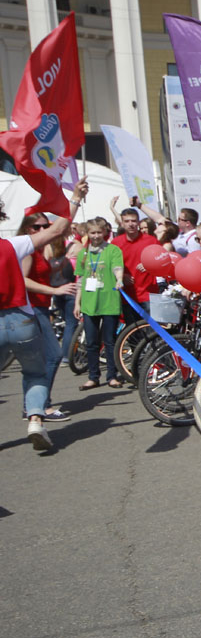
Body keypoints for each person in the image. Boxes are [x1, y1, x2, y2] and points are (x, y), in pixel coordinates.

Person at [1, 185, 86, 451]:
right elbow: (57, 230)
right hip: (22, 319)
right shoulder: (12, 245)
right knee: (35, 373)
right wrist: (75, 198)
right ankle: (36, 419)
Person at [18, 214, 76, 420]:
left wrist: (75, 202)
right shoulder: (27, 251)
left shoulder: (39, 249)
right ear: (26, 229)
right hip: (31, 309)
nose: (42, 230)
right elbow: (22, 280)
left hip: (39, 308)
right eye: (36, 226)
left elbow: (61, 229)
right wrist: (56, 291)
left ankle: (32, 406)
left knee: (38, 360)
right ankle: (41, 405)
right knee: (53, 355)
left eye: (45, 226)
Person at [75, 217, 125, 391]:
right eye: (92, 232)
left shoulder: (113, 250)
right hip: (89, 303)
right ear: (87, 233)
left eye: (98, 232)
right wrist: (77, 303)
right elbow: (80, 280)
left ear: (104, 232)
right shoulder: (83, 253)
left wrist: (119, 280)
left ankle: (112, 376)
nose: (96, 236)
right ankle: (93, 376)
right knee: (91, 342)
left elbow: (117, 267)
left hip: (109, 301)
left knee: (110, 341)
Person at [112, 204, 161, 328]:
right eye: (127, 221)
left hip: (148, 294)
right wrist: (122, 276)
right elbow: (110, 265)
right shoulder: (116, 243)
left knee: (152, 331)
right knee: (133, 332)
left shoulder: (151, 241)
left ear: (139, 222)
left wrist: (151, 265)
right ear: (122, 223)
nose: (131, 224)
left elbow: (163, 263)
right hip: (128, 296)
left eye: (134, 221)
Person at [45, 233, 77, 362]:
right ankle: (66, 354)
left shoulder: (48, 248)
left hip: (56, 290)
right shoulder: (73, 246)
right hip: (70, 289)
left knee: (66, 321)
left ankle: (64, 351)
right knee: (71, 323)